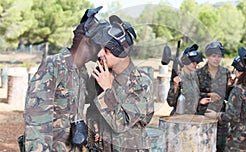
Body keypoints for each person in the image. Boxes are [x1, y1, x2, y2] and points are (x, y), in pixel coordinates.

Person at [22, 6, 109, 151]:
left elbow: (82, 100)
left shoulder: (80, 71)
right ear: (88, 41)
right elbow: (36, 122)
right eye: (102, 44)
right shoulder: (54, 65)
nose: (104, 49)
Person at [87, 15, 154, 152]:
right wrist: (95, 124)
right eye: (100, 49)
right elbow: (92, 109)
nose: (100, 54)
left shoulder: (141, 82)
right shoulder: (102, 74)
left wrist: (107, 90)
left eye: (106, 50)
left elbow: (121, 123)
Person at [205, 47, 246, 152]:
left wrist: (216, 115)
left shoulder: (238, 90)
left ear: (239, 71)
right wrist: (229, 88)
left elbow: (231, 115)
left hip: (239, 137)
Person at [196, 41, 232, 152]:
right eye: (213, 56)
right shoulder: (198, 73)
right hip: (203, 115)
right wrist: (206, 95)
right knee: (202, 146)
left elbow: (228, 95)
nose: (216, 59)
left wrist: (231, 87)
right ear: (207, 56)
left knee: (221, 146)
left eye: (219, 56)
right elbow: (191, 94)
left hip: (220, 117)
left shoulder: (225, 73)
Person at [166, 44, 212, 115]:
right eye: (193, 62)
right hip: (180, 119)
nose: (195, 64)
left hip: (192, 117)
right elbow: (171, 102)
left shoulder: (194, 77)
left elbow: (192, 96)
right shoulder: (179, 78)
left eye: (196, 62)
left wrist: (201, 101)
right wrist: (175, 86)